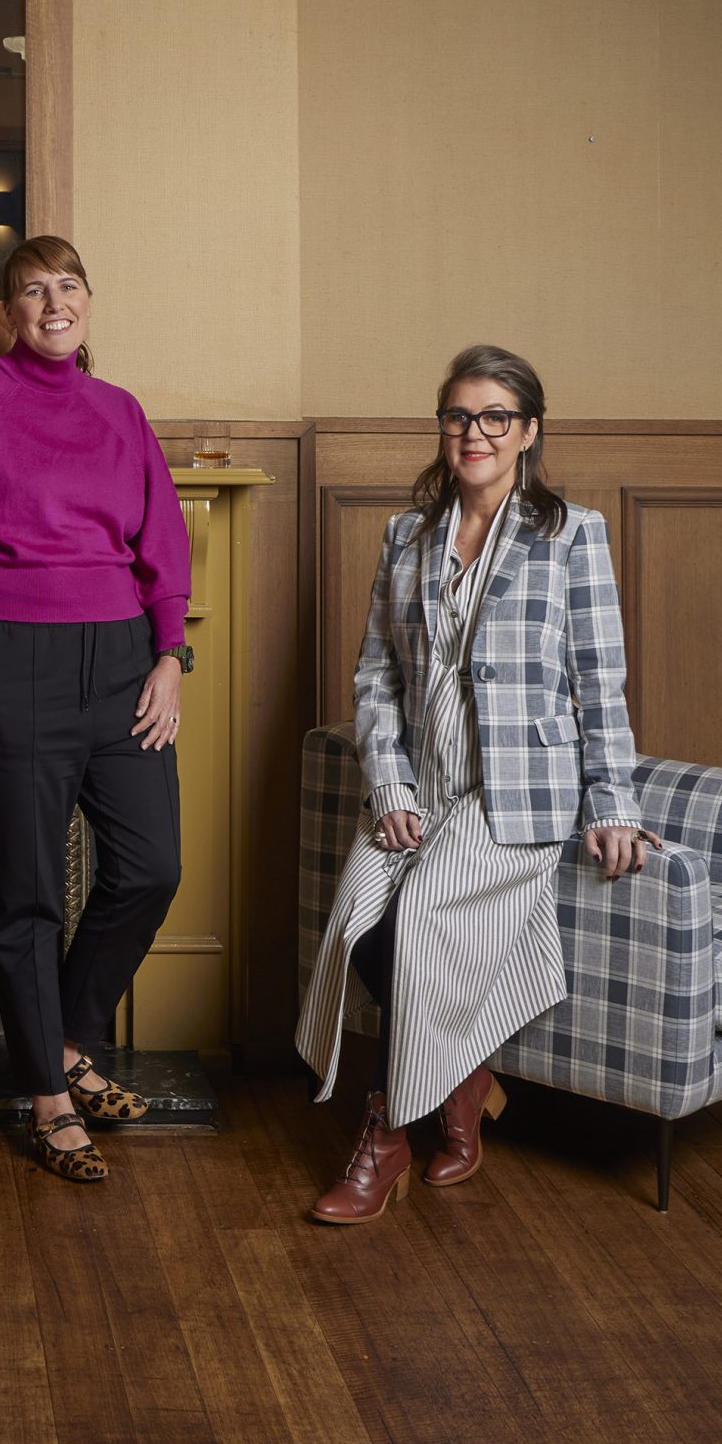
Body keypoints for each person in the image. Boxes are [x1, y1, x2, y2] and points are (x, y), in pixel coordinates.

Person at [295, 345, 654, 1224]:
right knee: (354, 924)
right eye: (459, 415)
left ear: (528, 431)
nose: (475, 432)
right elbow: (376, 678)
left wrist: (613, 804)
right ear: (442, 426)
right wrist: (391, 788)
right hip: (422, 786)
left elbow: (599, 680)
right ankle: (464, 1081)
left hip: (515, 796)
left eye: (497, 416)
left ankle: (384, 1138)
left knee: (417, 926)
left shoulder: (572, 533)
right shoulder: (406, 535)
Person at [0, 234, 186, 1183]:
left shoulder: (121, 410)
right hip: (6, 656)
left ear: (88, 300)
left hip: (123, 660)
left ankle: (59, 1043)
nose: (53, 303)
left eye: (68, 286)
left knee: (150, 868)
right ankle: (49, 1098)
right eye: (32, 290)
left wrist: (171, 656)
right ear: (6, 311)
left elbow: (162, 544)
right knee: (26, 894)